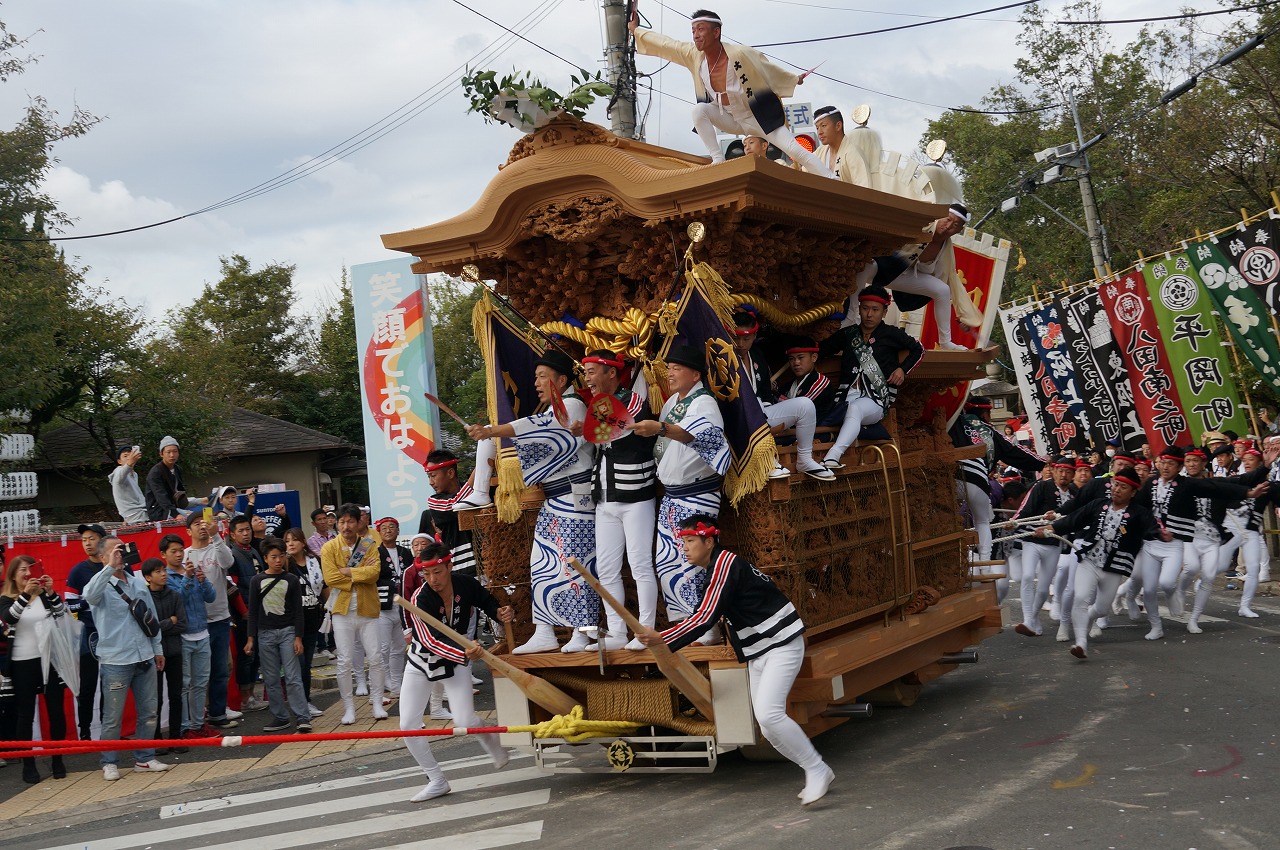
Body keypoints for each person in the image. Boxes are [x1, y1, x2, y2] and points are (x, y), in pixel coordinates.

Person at [636, 516, 834, 805]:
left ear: (709, 541)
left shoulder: (725, 565)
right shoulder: (715, 569)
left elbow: (705, 618)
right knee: (767, 727)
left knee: (769, 715)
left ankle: (817, 769)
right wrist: (669, 638)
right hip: (760, 649)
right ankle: (815, 769)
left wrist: (662, 639)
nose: (685, 549)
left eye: (690, 541)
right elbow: (704, 614)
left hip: (781, 643)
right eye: (683, 542)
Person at [462, 348, 601, 654]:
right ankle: (545, 630)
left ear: (561, 379)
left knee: (577, 567)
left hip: (576, 498)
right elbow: (536, 430)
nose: (536, 383)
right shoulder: (551, 411)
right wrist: (492, 440)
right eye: (536, 377)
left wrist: (495, 431)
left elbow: (544, 431)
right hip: (553, 501)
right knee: (542, 565)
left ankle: (586, 633)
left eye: (542, 376)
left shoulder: (574, 406)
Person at [629, 10, 834, 177]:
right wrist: (636, 31)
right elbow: (667, 45)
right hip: (729, 118)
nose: (696, 35)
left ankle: (833, 180)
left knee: (796, 151)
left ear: (716, 32)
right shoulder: (694, 55)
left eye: (701, 29)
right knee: (699, 110)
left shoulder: (739, 54)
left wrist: (793, 79)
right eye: (693, 30)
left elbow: (767, 69)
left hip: (757, 118)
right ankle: (717, 159)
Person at [626, 344, 732, 641]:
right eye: (669, 368)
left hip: (698, 493)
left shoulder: (705, 403)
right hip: (672, 496)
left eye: (676, 369)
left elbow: (696, 436)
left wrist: (660, 427)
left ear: (695, 374)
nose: (669, 373)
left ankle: (707, 625)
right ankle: (689, 623)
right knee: (667, 560)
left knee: (694, 561)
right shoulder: (673, 400)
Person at [399, 542, 514, 803]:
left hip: (458, 656)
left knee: (465, 720)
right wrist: (464, 653)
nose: (432, 579)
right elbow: (429, 640)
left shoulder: (465, 584)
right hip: (423, 659)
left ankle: (491, 739)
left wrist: (499, 611)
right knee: (407, 725)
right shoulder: (420, 598)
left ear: (449, 566)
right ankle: (437, 780)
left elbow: (485, 601)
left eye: (437, 572)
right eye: (426, 574)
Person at [1127, 445, 1267, 640]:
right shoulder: (1156, 484)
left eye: (1195, 461)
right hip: (1180, 539)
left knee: (1207, 576)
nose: (1191, 464)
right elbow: (1138, 507)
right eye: (1188, 461)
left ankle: (1194, 618)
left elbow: (1228, 485)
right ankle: (1164, 608)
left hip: (1209, 540)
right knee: (1181, 571)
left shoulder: (1198, 484)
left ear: (1202, 463)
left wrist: (1251, 490)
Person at [578, 349, 660, 649]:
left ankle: (646, 630)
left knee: (640, 565)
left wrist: (587, 428)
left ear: (611, 372)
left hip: (636, 496)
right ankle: (616, 632)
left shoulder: (633, 400)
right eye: (585, 373)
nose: (587, 378)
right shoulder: (595, 407)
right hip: (604, 498)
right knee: (607, 568)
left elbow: (618, 428)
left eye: (592, 372)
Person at [1036, 468, 1154, 659]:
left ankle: (1090, 618)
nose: (1117, 489)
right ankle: (1081, 643)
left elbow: (1152, 530)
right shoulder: (1098, 505)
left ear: (1133, 492)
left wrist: (1162, 535)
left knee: (1101, 608)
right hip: (1089, 560)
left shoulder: (1140, 513)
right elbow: (1074, 520)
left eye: (1123, 487)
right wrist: (1051, 527)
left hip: (1114, 567)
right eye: (1115, 484)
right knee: (1080, 597)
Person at [82, 536, 170, 780]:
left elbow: (150, 619)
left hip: (144, 655)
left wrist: (158, 649)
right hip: (116, 660)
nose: (120, 553)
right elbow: (89, 597)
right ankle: (109, 761)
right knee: (113, 716)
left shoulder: (137, 582)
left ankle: (144, 758)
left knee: (149, 711)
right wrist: (109, 566)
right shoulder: (98, 583)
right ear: (102, 557)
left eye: (122, 548)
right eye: (114, 550)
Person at [817, 285, 923, 469]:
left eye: (875, 310)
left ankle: (833, 456)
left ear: (884, 312)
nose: (869, 314)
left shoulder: (891, 334)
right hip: (844, 397)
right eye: (865, 308)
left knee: (856, 410)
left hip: (875, 400)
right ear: (859, 309)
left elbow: (918, 349)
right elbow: (820, 350)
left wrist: (902, 370)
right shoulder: (848, 334)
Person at [851, 205, 973, 351]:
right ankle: (851, 318)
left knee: (942, 289)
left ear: (959, 230)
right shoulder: (920, 226)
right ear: (939, 216)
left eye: (955, 225)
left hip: (906, 278)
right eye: (947, 220)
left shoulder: (946, 251)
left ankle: (945, 342)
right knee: (864, 265)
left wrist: (962, 316)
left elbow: (953, 282)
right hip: (882, 266)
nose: (948, 226)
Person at [733, 312, 835, 481]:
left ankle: (805, 459)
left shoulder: (757, 354)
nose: (741, 344)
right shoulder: (723, 356)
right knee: (753, 405)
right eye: (736, 338)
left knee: (805, 405)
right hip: (736, 419)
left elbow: (765, 392)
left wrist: (765, 408)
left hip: (761, 415)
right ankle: (766, 460)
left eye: (746, 339)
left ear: (755, 335)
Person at [0, 555, 72, 784]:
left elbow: (62, 614)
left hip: (49, 660)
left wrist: (50, 592)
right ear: (13, 575)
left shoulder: (43, 596)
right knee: (25, 716)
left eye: (30, 569)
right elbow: (9, 618)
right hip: (22, 663)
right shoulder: (6, 599)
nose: (27, 574)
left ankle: (57, 759)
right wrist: (25, 595)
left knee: (56, 712)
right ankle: (28, 764)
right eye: (22, 570)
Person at [949, 395, 1045, 566]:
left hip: (949, 480)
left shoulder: (952, 422)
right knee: (982, 521)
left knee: (949, 520)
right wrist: (1042, 462)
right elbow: (1016, 453)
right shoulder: (990, 431)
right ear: (985, 414)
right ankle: (985, 563)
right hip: (977, 480)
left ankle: (958, 561)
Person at [321, 503, 387, 725]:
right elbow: (331, 578)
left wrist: (349, 571)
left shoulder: (368, 544)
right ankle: (349, 707)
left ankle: (377, 702)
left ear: (359, 522)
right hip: (342, 610)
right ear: (336, 523)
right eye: (341, 521)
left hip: (368, 608)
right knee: (344, 660)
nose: (346, 526)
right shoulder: (329, 548)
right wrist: (360, 573)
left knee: (376, 657)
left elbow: (375, 573)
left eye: (350, 521)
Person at [245, 537, 313, 734]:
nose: (278, 560)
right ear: (265, 558)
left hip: (288, 632)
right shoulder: (256, 580)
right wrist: (250, 638)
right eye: (273, 557)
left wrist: (298, 637)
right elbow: (253, 611)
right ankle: (280, 716)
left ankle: (302, 716)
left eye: (281, 556)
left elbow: (298, 611)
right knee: (271, 678)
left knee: (293, 676)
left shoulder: (291, 579)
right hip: (264, 634)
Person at [184, 512, 241, 729]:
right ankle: (196, 719)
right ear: (188, 531)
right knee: (197, 675)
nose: (201, 527)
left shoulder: (216, 549)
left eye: (203, 523)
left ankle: (217, 714)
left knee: (220, 669)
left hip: (220, 618)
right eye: (196, 525)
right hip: (195, 623)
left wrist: (216, 536)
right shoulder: (185, 555)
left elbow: (229, 562)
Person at [160, 532, 219, 742]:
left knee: (201, 683)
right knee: (184, 684)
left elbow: (211, 597)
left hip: (202, 632)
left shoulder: (192, 572)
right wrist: (187, 578)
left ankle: (198, 724)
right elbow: (178, 600)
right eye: (173, 552)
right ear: (163, 555)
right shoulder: (166, 577)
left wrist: (202, 581)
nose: (178, 555)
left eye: (180, 550)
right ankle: (184, 727)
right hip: (183, 636)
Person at [1011, 457, 1077, 637]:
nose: (1063, 475)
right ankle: (1028, 620)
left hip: (1054, 543)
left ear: (1073, 474)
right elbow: (1026, 507)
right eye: (1060, 470)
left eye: (1068, 471)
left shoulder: (1074, 493)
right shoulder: (1041, 486)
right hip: (1032, 539)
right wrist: (1014, 522)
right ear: (1054, 471)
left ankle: (1032, 619)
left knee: (1043, 587)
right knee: (1027, 576)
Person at [65, 523, 106, 741]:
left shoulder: (116, 566)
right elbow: (70, 604)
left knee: (110, 683)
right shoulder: (78, 571)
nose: (88, 543)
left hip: (114, 634)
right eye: (84, 540)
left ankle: (109, 730)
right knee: (88, 685)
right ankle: (85, 730)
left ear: (102, 540)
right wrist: (94, 603)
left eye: (91, 538)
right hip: (88, 634)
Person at [142, 557, 186, 753]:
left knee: (176, 695)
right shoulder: (144, 597)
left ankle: (176, 738)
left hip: (175, 651)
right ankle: (157, 738)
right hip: (153, 654)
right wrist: (170, 622)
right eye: (158, 572)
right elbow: (147, 628)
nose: (164, 574)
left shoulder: (174, 595)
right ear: (147, 577)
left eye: (164, 571)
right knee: (156, 698)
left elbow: (183, 624)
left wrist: (161, 625)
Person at [283, 527, 326, 717]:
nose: (290, 544)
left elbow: (324, 588)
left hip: (312, 619)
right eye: (287, 541)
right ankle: (299, 703)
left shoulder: (314, 561)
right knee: (296, 665)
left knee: (306, 664)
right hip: (293, 621)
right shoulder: (285, 563)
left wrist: (329, 609)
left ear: (303, 542)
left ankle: (305, 701)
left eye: (294, 540)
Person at [226, 514, 267, 712]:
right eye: (241, 531)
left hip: (260, 610)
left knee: (256, 655)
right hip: (244, 613)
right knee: (246, 655)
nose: (245, 533)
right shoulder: (232, 555)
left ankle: (252, 694)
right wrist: (243, 611)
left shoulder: (253, 550)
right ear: (232, 534)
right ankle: (245, 698)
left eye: (247, 529)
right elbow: (231, 587)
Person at [418, 450, 478, 577]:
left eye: (433, 476)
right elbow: (458, 504)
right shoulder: (434, 501)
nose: (430, 482)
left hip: (490, 561)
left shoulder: (475, 489)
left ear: (450, 473)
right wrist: (480, 469)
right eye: (429, 477)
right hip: (463, 570)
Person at [370, 517, 409, 694]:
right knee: (383, 647)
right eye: (384, 528)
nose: (388, 530)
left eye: (392, 527)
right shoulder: (374, 553)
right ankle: (384, 682)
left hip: (402, 606)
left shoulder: (405, 552)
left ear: (398, 530)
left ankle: (397, 682)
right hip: (382, 605)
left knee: (400, 647)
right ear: (378, 532)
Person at [145, 436, 207, 520]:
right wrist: (176, 514)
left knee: (204, 515)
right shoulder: (155, 473)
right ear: (161, 454)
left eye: (175, 451)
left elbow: (180, 492)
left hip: (175, 507)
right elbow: (161, 497)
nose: (172, 455)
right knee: (195, 519)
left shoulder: (177, 469)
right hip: (160, 511)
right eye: (168, 452)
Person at [811, 105, 871, 186]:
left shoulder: (853, 153)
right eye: (817, 128)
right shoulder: (820, 152)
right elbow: (803, 171)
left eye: (823, 126)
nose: (819, 132)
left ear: (838, 126)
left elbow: (864, 188)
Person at [109, 445, 149, 524]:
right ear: (119, 461)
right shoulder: (117, 472)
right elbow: (122, 474)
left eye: (130, 455)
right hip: (135, 516)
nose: (128, 458)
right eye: (125, 456)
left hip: (142, 512)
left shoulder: (134, 474)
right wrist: (131, 461)